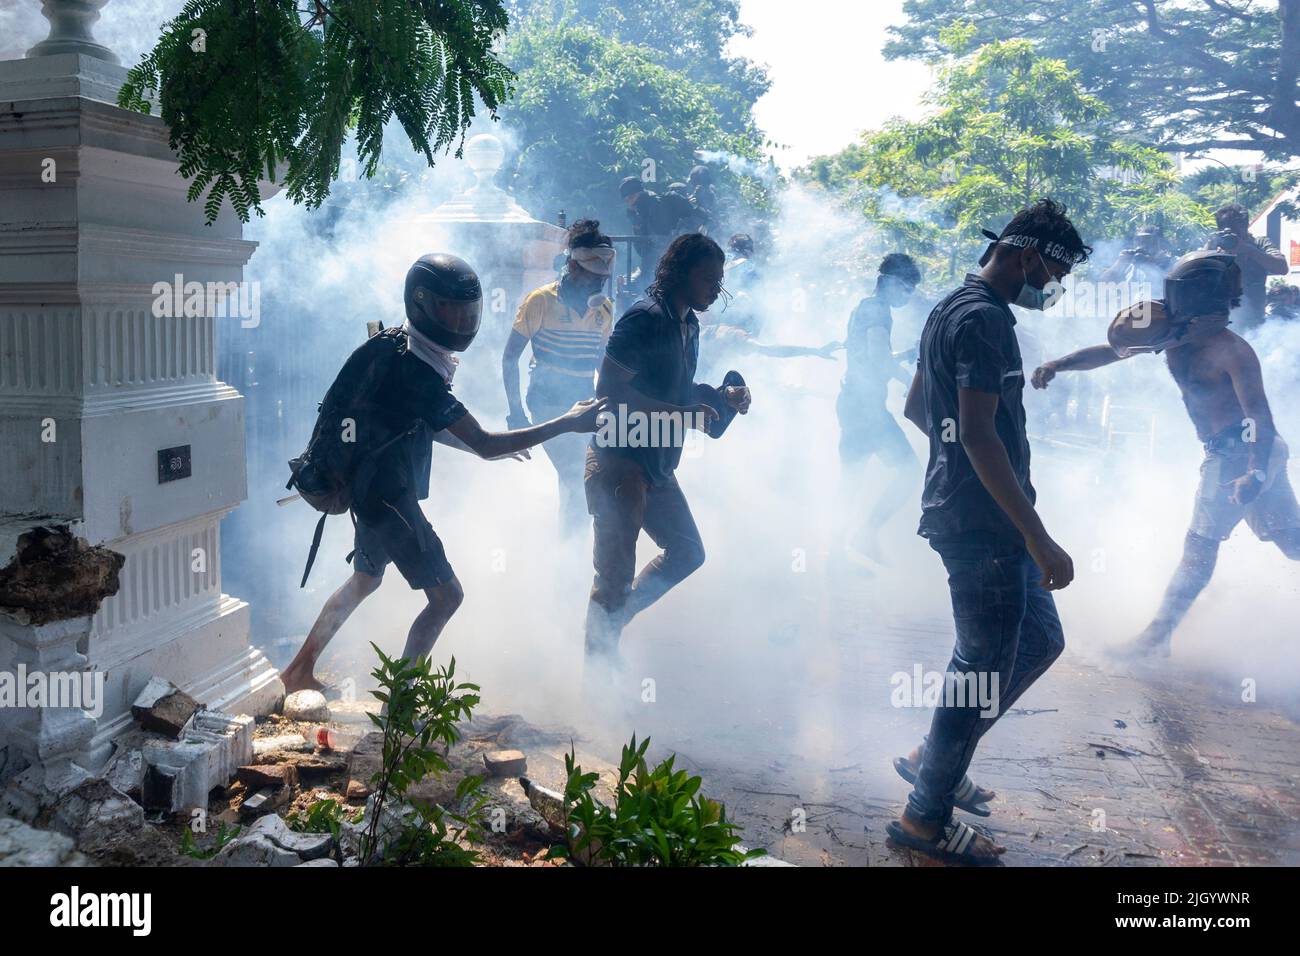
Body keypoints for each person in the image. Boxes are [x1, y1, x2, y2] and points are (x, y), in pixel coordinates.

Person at [281, 254, 605, 693]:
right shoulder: (419, 372)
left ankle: (299, 670)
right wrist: (567, 421)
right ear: (422, 305)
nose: (461, 321)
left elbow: (420, 426)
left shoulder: (397, 344)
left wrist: (485, 451)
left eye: (468, 311)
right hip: (384, 497)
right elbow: (485, 441)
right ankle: (401, 702)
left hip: (368, 486)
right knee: (446, 597)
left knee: (365, 580)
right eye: (451, 310)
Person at [886, 199, 1086, 865]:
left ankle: (934, 759)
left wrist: (958, 466)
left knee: (1039, 640)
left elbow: (921, 407)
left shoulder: (951, 308)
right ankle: (924, 819)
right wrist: (1037, 534)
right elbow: (975, 432)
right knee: (978, 668)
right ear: (1024, 254)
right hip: (987, 529)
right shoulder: (985, 322)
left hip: (978, 514)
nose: (1050, 287)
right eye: (1051, 272)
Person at [1032, 250, 1300, 658]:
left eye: (1181, 293)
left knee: (1199, 546)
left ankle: (1154, 641)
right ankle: (1157, 639)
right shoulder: (1170, 333)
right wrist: (1058, 364)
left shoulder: (1233, 352)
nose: (1170, 300)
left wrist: (1254, 473)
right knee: (1290, 540)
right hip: (1240, 454)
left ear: (1201, 300)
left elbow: (1260, 419)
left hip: (1241, 452)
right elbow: (1110, 351)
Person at [583, 234, 751, 665]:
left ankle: (615, 622)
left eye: (720, 279)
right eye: (708, 278)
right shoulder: (644, 320)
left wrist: (720, 397)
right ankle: (594, 694)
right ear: (680, 273)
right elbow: (609, 394)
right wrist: (684, 414)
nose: (716, 288)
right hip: (620, 463)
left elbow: (676, 392)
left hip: (655, 465)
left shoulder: (688, 323)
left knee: (688, 552)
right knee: (614, 579)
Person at [502, 220, 617, 535]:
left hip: (584, 401)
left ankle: (573, 550)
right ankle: (568, 557)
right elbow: (511, 357)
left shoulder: (604, 309)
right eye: (592, 277)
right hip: (546, 401)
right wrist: (516, 414)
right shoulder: (540, 300)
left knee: (590, 478)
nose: (597, 285)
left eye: (602, 280)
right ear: (572, 266)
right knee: (575, 476)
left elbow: (601, 363)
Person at [837, 253, 923, 567]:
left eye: (911, 289)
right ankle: (865, 533)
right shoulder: (878, 312)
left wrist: (902, 356)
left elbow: (874, 355)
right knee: (909, 470)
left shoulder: (867, 306)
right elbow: (879, 360)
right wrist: (915, 383)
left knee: (851, 478)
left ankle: (835, 553)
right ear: (886, 281)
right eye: (905, 286)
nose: (908, 294)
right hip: (865, 409)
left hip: (854, 404)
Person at [1203, 203, 1288, 329]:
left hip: (1254, 322)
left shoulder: (1259, 243)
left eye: (1236, 230)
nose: (1233, 235)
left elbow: (1282, 267)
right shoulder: (1215, 246)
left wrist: (1249, 250)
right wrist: (1209, 251)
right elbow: (1196, 275)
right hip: (1218, 322)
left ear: (1245, 225)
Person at [619, 176, 708, 289]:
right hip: (653, 266)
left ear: (640, 192)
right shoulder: (639, 215)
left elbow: (699, 218)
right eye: (627, 200)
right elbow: (642, 250)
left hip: (676, 261)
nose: (630, 203)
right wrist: (637, 226)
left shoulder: (666, 201)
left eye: (632, 197)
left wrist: (681, 237)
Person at [1098, 225, 1175, 297]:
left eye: (1149, 240)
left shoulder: (1173, 263)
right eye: (1139, 240)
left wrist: (1152, 265)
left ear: (1160, 243)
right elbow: (1104, 285)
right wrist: (1119, 263)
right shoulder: (1130, 265)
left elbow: (1174, 288)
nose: (1143, 244)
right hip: (1134, 309)